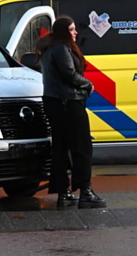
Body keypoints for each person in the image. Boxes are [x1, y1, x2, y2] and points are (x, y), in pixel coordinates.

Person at [40, 16, 106, 209]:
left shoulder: (49, 48)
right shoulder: (62, 48)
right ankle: (85, 191)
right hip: (68, 102)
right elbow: (69, 74)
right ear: (63, 32)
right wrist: (88, 84)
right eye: (71, 29)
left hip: (54, 102)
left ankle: (64, 192)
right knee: (82, 147)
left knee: (61, 148)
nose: (75, 32)